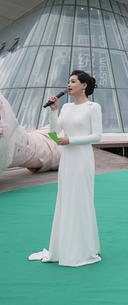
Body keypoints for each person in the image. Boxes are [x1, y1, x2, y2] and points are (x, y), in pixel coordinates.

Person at [29, 70, 103, 266]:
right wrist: (53, 110)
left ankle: (83, 249)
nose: (68, 84)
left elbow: (97, 136)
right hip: (67, 159)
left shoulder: (93, 107)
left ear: (84, 85)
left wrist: (71, 139)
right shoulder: (66, 108)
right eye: (68, 81)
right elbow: (54, 133)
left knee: (81, 199)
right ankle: (64, 247)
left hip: (83, 158)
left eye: (73, 81)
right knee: (66, 199)